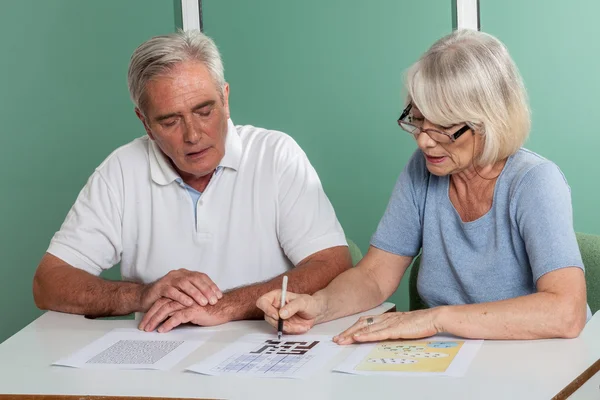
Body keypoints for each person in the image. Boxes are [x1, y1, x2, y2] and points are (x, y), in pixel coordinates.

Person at [257, 29, 590, 343]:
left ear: (489, 121)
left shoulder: (534, 181)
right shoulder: (423, 170)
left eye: (443, 126)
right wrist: (319, 305)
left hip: (538, 359)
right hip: (454, 356)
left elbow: (566, 312)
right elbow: (374, 276)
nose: (424, 142)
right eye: (418, 119)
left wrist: (435, 319)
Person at [32, 30, 352, 333]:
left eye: (204, 111)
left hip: (264, 350)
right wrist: (141, 296)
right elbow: (48, 283)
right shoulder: (121, 171)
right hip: (163, 362)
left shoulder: (276, 155)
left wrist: (226, 306)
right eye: (170, 121)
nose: (193, 135)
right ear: (145, 122)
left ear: (225, 99)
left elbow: (332, 262)